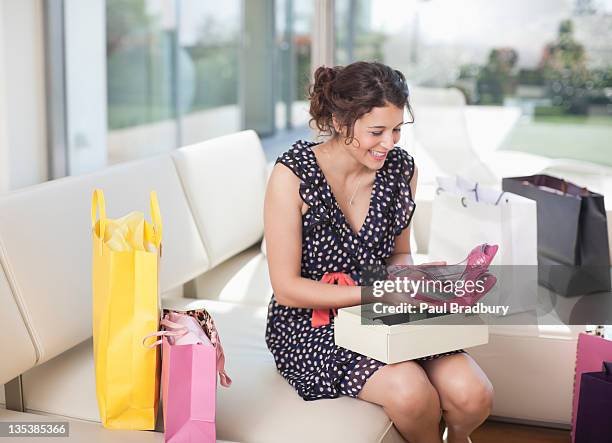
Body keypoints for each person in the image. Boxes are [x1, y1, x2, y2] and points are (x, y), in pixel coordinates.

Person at [264, 61, 493, 443]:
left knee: (473, 393)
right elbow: (287, 288)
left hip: (385, 308)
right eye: (377, 131)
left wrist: (414, 278)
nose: (390, 142)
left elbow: (399, 256)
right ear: (340, 122)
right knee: (411, 393)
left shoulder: (400, 169)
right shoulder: (293, 175)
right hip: (312, 324)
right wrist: (381, 291)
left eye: (397, 129)